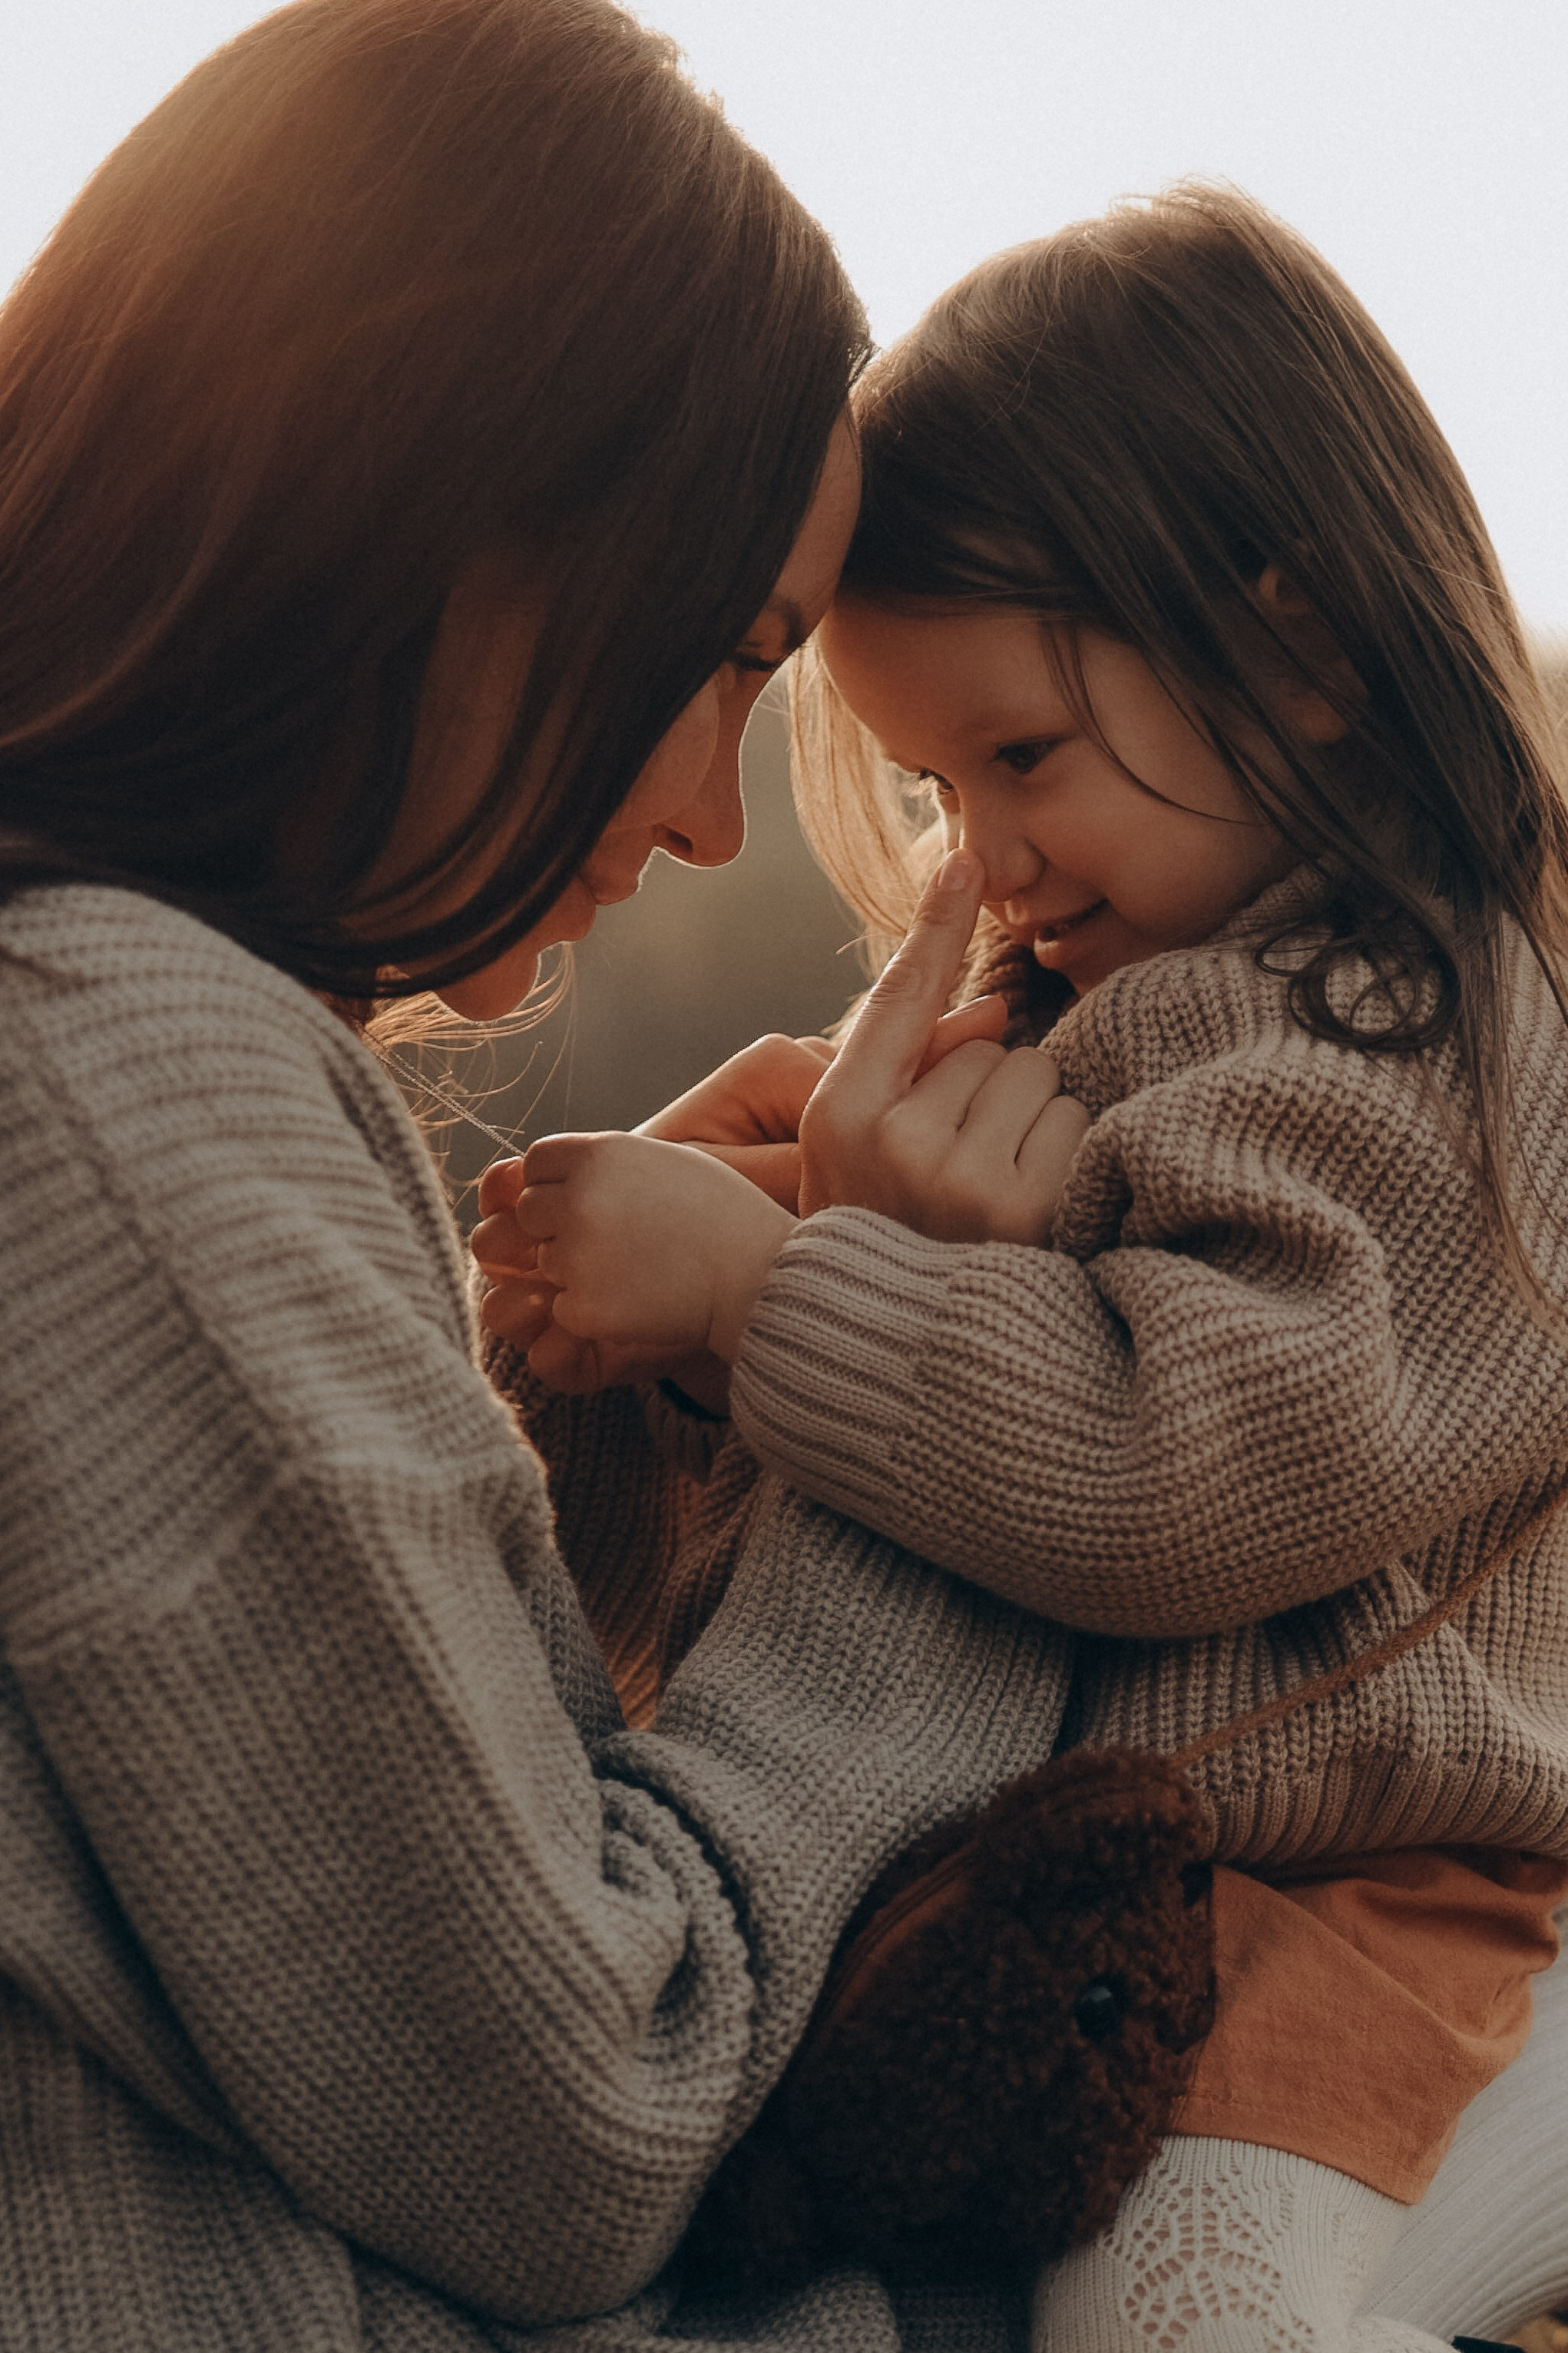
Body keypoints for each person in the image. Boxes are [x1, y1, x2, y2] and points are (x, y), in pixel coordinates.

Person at [0, 5, 1093, 2348]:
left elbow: (327, 1901)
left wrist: (568, 1403)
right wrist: (904, 1390)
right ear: (438, 532)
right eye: (722, 656)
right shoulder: (115, 1067)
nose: (714, 811)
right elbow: (580, 2116)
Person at [475, 187, 1568, 2351]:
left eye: (1023, 756)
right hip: (1014, 1931)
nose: (981, 855)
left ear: (1308, 649)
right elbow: (753, 1607)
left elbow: (1188, 1463)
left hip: (1350, 1910)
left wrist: (765, 1298)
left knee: (1177, 2316)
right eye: (926, 777)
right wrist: (657, 1360)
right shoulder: (1055, 1043)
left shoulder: (1428, 1046)